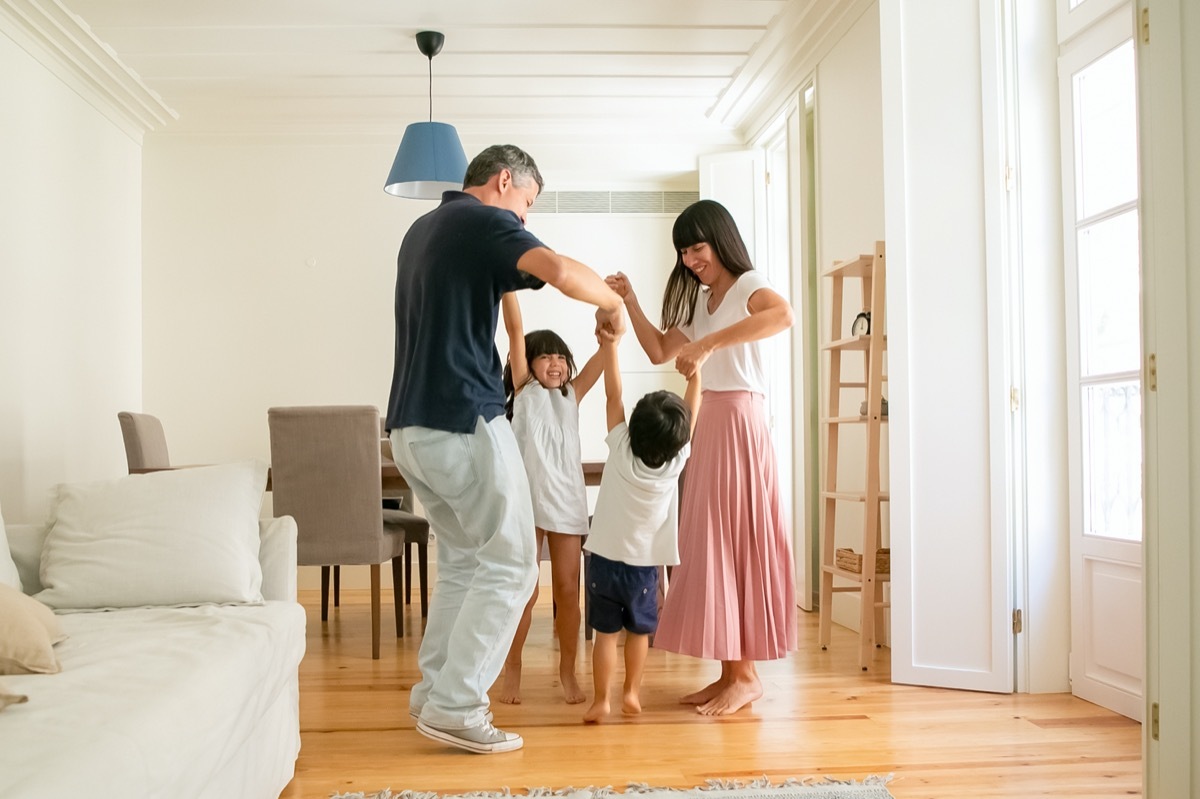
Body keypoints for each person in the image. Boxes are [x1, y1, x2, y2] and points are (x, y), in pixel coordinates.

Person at [386, 144, 624, 754]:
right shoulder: (482, 220)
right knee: (514, 567)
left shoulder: (422, 231)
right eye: (527, 203)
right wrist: (614, 302)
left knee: (466, 563)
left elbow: (511, 312)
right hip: (464, 419)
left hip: (411, 428)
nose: (524, 218)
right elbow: (561, 272)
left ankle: (435, 692)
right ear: (503, 181)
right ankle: (458, 705)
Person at [604, 198, 796, 716]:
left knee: (738, 539)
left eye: (698, 247)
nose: (690, 259)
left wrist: (709, 346)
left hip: (741, 420)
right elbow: (660, 352)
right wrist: (632, 302)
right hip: (709, 421)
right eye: (684, 251)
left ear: (719, 239)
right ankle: (729, 672)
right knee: (711, 542)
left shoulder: (750, 285)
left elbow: (784, 315)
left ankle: (748, 676)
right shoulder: (702, 301)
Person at [581, 314, 699, 723]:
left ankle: (601, 700)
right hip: (645, 568)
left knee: (604, 635)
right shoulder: (675, 462)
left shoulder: (621, 449)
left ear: (633, 428)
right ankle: (631, 692)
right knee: (638, 633)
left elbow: (612, 395)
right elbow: (692, 414)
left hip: (604, 561)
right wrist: (695, 375)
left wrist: (611, 345)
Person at [496, 292, 602, 705]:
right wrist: (508, 286)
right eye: (545, 357)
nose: (555, 364)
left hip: (567, 504)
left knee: (567, 591)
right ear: (526, 364)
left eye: (561, 357)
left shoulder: (571, 395)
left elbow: (603, 357)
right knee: (526, 590)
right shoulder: (525, 391)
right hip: (527, 503)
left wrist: (610, 332)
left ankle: (568, 672)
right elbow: (515, 329)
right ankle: (512, 668)